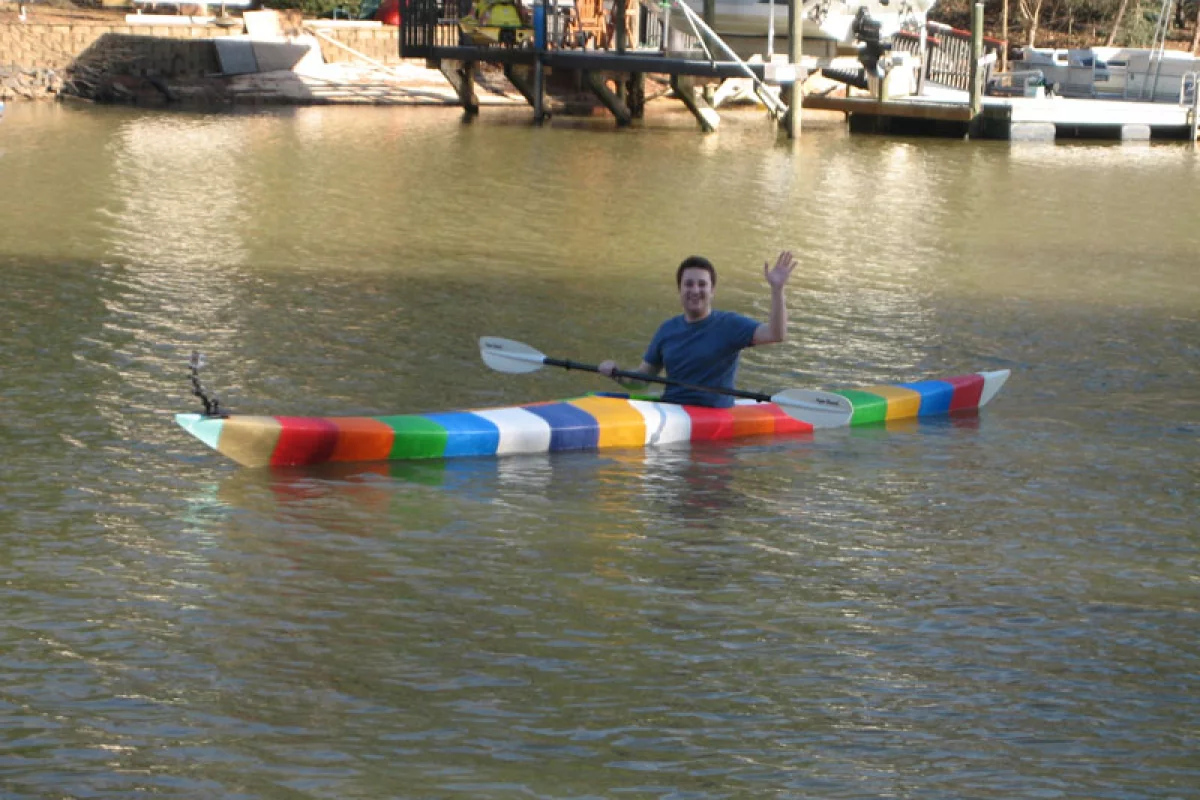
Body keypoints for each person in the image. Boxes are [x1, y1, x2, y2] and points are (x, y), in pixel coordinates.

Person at [598, 251, 796, 408]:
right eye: (688, 284)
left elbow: (775, 334)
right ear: (680, 290)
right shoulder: (667, 330)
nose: (695, 290)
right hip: (673, 411)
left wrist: (777, 289)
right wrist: (617, 373)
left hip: (714, 417)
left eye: (702, 284)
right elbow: (641, 381)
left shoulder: (730, 325)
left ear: (712, 290)